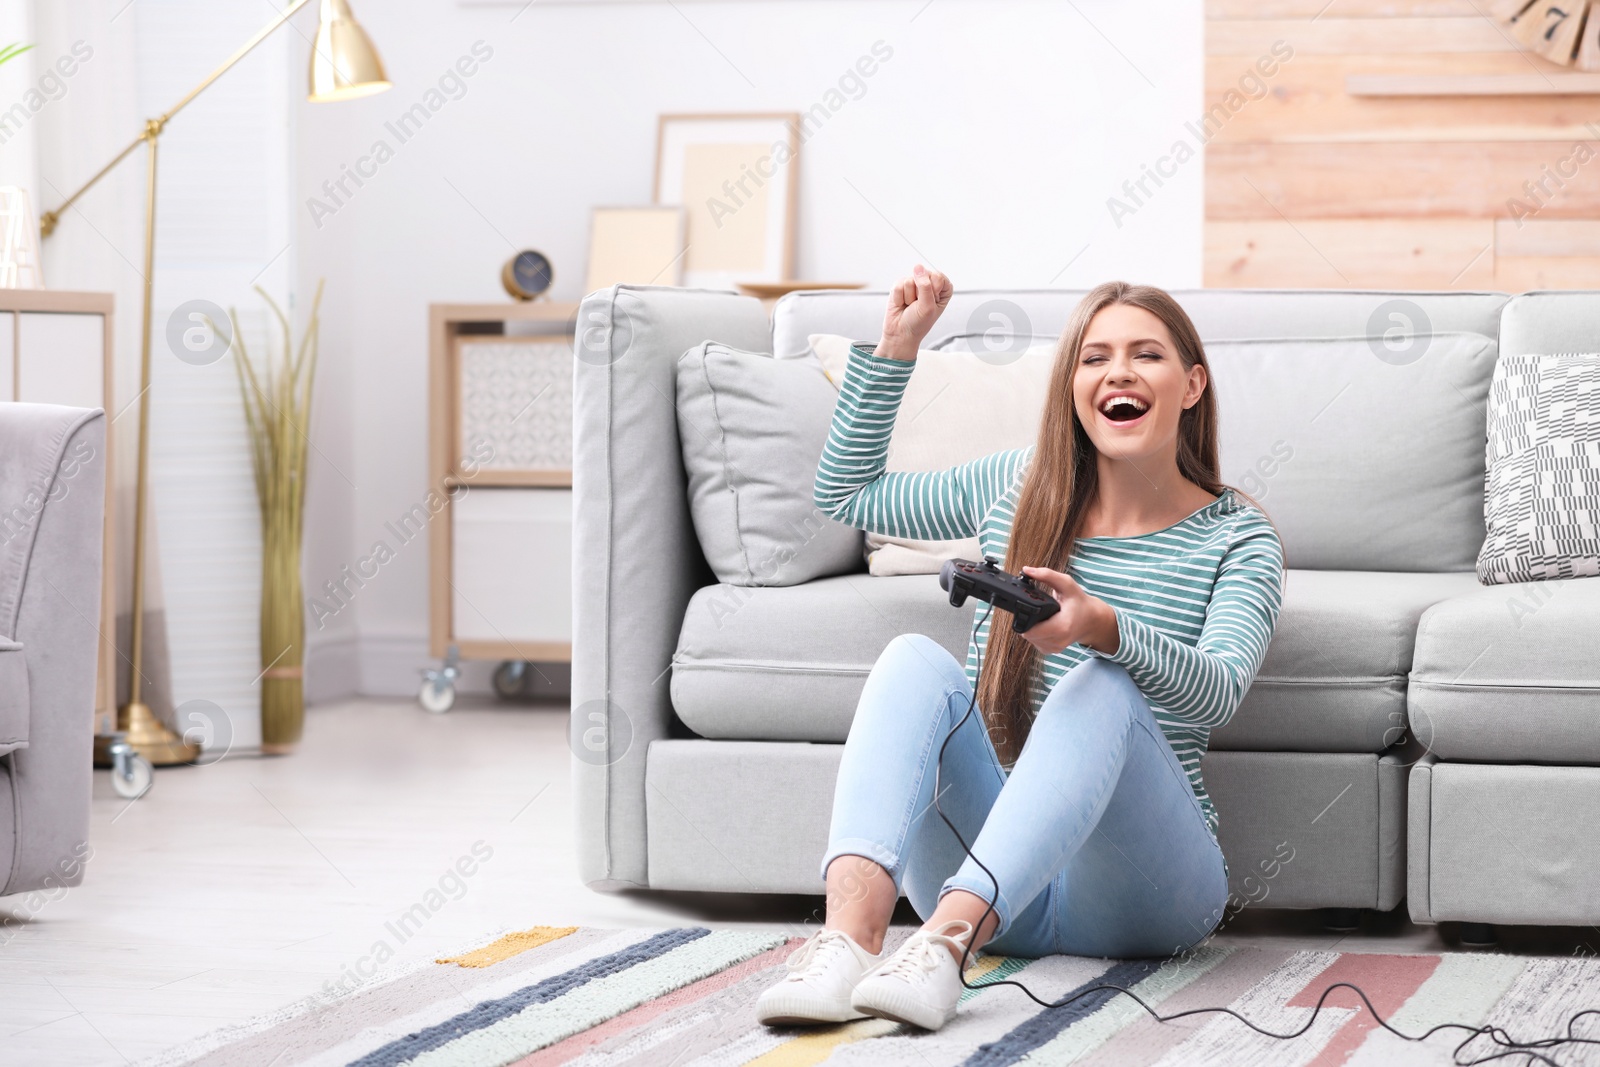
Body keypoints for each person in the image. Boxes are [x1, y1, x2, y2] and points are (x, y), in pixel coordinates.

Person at [754, 266, 1284, 1032]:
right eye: (1094, 357)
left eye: (1147, 354)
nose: (1118, 372)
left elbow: (1219, 690)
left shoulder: (1239, 536)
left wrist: (1104, 627)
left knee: (1099, 686)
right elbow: (848, 495)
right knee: (913, 659)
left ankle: (945, 944)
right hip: (1002, 871)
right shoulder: (1017, 487)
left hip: (1147, 896)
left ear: (1192, 384)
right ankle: (849, 941)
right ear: (1072, 385)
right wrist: (894, 353)